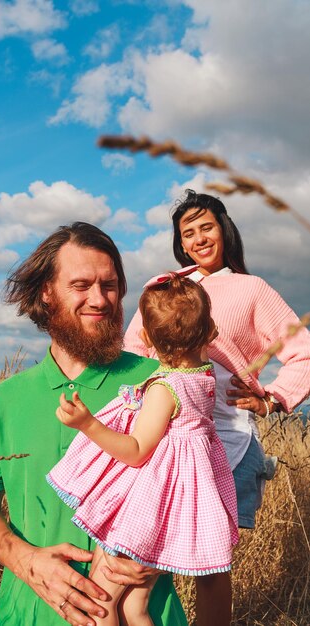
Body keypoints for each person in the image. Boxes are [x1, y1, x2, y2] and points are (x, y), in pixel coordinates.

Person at [0, 222, 187, 626]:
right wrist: (27, 561)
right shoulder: (4, 400)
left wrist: (162, 551)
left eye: (111, 285)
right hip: (29, 613)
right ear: (46, 292)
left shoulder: (161, 383)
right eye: (81, 285)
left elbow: (200, 490)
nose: (100, 300)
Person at [124, 189, 310, 626]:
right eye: (188, 233)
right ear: (180, 242)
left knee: (211, 563)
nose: (198, 238)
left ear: (223, 230)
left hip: (228, 436)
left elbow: (302, 350)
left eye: (206, 227)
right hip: (166, 430)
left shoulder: (252, 289)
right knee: (148, 547)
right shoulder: (165, 286)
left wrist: (273, 399)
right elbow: (135, 345)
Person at [47, 271, 239, 626]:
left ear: (147, 337)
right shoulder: (204, 379)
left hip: (144, 513)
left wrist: (88, 424)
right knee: (134, 609)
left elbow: (136, 450)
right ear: (211, 332)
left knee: (100, 604)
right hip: (174, 511)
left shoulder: (166, 389)